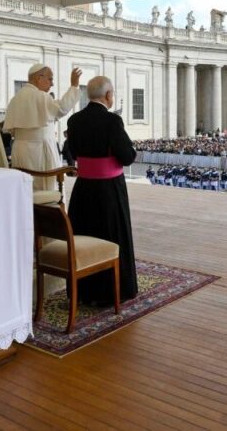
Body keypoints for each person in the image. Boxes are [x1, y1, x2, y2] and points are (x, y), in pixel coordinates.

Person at [66, 76, 138, 303]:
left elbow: (72, 151)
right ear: (108, 96)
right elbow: (127, 157)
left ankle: (85, 291)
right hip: (109, 191)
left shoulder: (74, 120)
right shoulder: (112, 121)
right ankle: (114, 291)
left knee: (84, 234)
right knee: (112, 237)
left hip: (83, 189)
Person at [3, 64, 82, 190]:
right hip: (40, 151)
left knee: (25, 190)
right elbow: (61, 109)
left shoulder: (15, 99)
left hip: (19, 150)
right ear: (39, 78)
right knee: (44, 191)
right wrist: (74, 86)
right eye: (50, 79)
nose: (52, 84)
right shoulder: (41, 96)